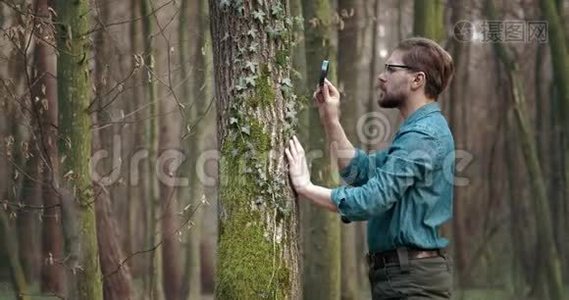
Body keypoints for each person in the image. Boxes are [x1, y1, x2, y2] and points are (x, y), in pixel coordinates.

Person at [285, 37, 455, 299]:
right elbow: (360, 172)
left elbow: (371, 199)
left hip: (412, 283)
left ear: (417, 80)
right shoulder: (416, 132)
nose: (381, 76)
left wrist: (306, 187)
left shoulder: (423, 136)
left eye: (391, 69)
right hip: (403, 278)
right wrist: (331, 120)